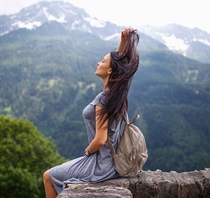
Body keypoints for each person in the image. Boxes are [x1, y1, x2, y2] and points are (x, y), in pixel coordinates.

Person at [43, 27, 140, 198]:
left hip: (100, 165)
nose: (98, 63)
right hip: (112, 164)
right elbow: (118, 64)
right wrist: (123, 42)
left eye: (102, 61)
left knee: (49, 176)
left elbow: (100, 139)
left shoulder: (104, 99)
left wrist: (88, 151)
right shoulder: (117, 96)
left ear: (109, 70)